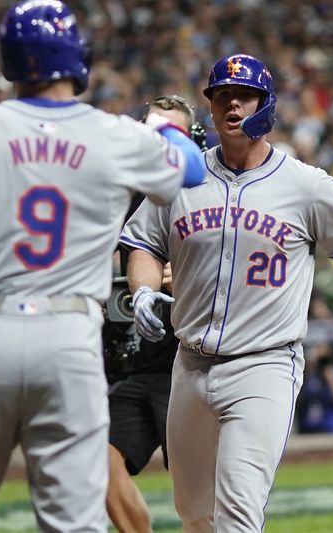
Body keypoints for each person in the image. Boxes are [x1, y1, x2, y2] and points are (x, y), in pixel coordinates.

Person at [0, 2, 204, 531]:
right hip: (68, 337)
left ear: (8, 61)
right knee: (73, 525)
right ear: (79, 62)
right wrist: (164, 130)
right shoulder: (113, 134)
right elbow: (192, 168)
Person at [121, 53, 333, 532]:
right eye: (221, 96)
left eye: (244, 95)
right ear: (211, 109)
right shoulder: (178, 180)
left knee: (238, 512)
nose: (232, 104)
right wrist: (143, 291)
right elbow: (142, 244)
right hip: (190, 364)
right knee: (194, 513)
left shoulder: (306, 186)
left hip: (265, 365)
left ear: (267, 103)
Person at [104, 94, 206, 533]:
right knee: (95, 463)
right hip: (133, 364)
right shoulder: (112, 195)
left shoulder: (204, 196)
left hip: (189, 363)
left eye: (171, 133)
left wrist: (184, 273)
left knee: (202, 497)